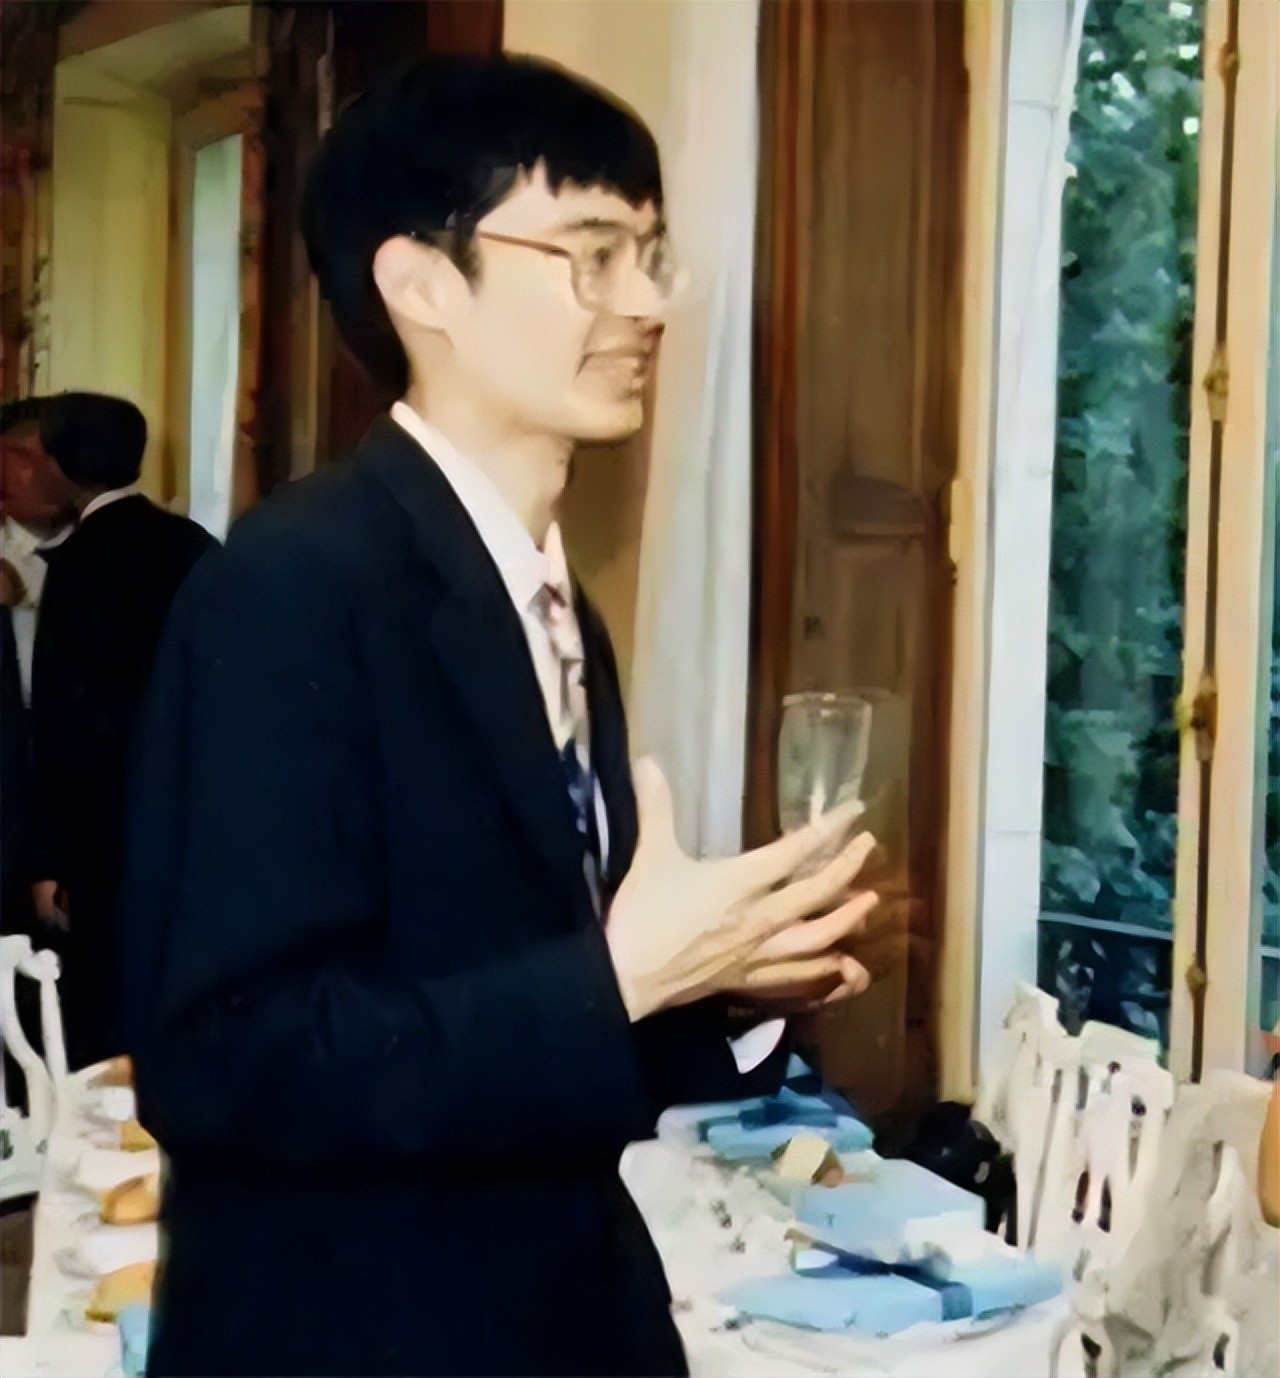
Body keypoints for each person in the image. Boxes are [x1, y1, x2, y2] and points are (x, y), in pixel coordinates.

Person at [117, 55, 877, 1378]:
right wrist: (622, 975)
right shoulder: (296, 583)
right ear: (423, 285)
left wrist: (722, 986)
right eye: (590, 254)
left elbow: (508, 1006)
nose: (645, 302)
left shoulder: (550, 602)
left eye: (649, 254)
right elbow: (229, 1058)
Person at [28, 392, 215, 1070]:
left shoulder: (76, 564)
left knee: (100, 1011)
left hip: (103, 830)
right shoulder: (193, 544)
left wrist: (50, 859)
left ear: (60, 464)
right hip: (190, 811)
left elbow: (63, 724)